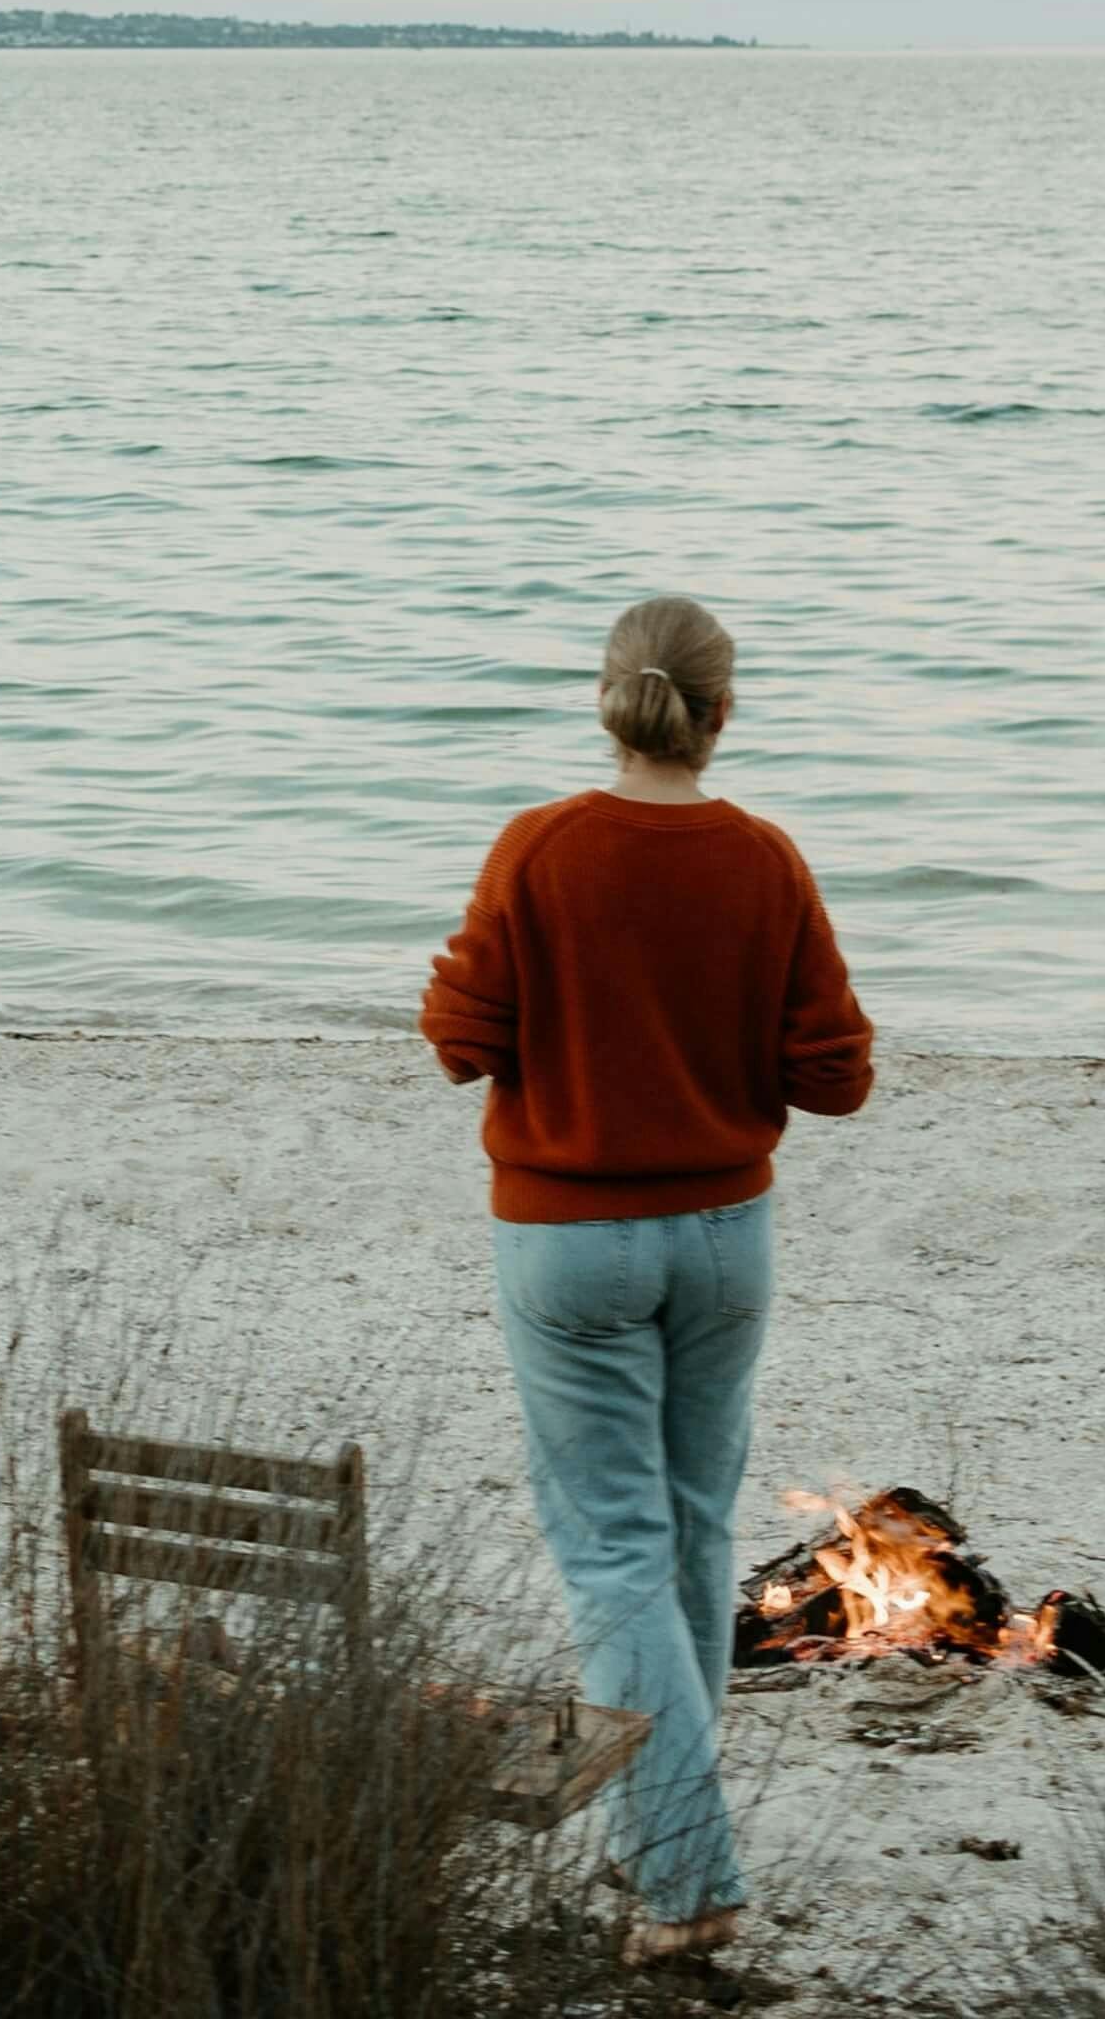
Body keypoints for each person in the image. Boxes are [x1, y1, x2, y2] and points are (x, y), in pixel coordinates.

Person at [418, 593, 873, 1969]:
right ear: (722, 713)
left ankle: (684, 1883)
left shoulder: (541, 849)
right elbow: (837, 1074)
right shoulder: (765, 861)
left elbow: (457, 1036)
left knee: (613, 1551)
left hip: (566, 1239)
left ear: (609, 700)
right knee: (689, 1530)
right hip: (724, 1235)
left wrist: (575, 1040)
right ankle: (667, 1835)